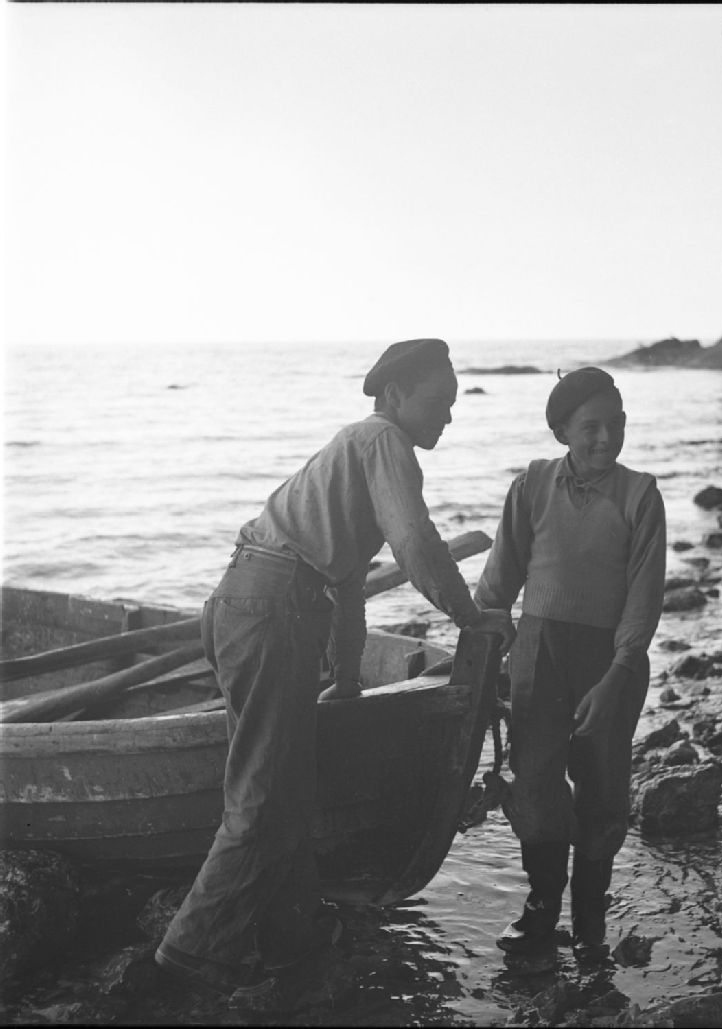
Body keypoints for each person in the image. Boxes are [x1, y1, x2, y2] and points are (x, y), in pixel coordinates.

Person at [154, 338, 515, 1008]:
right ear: (395, 396)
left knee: (287, 789)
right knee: (264, 797)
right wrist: (472, 617)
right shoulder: (384, 441)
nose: (448, 415)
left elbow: (346, 586)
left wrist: (347, 677)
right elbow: (416, 542)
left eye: (453, 403)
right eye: (439, 401)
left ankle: (293, 934)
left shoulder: (354, 453)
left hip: (243, 604)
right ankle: (190, 953)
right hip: (270, 612)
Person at [473, 366, 666, 961]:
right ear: (561, 432)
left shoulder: (641, 495)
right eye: (591, 427)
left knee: (603, 788)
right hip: (538, 657)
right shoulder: (531, 485)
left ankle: (589, 916)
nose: (606, 437)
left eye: (616, 424)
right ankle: (540, 909)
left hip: (612, 662)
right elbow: (497, 587)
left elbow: (644, 598)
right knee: (534, 782)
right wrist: (484, 661)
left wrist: (616, 675)